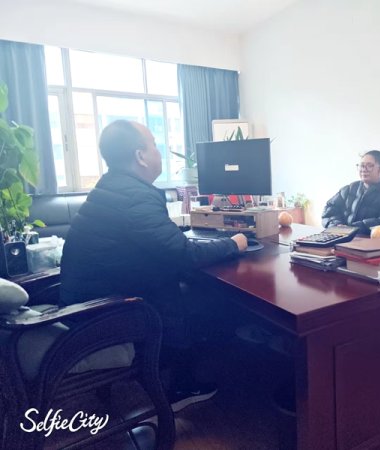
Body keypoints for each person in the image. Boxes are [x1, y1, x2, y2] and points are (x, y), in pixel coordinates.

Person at [60, 120, 248, 411]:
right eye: (155, 147)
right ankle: (181, 386)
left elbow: (149, 241)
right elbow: (183, 254)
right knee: (205, 294)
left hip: (86, 304)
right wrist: (234, 244)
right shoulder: (136, 195)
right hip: (105, 314)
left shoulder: (111, 187)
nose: (159, 153)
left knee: (184, 286)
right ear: (140, 156)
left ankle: (171, 367)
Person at [321, 150, 380, 235]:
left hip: (372, 241)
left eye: (369, 166)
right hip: (344, 238)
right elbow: (329, 210)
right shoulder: (349, 189)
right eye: (362, 166)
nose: (364, 169)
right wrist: (337, 225)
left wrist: (352, 229)